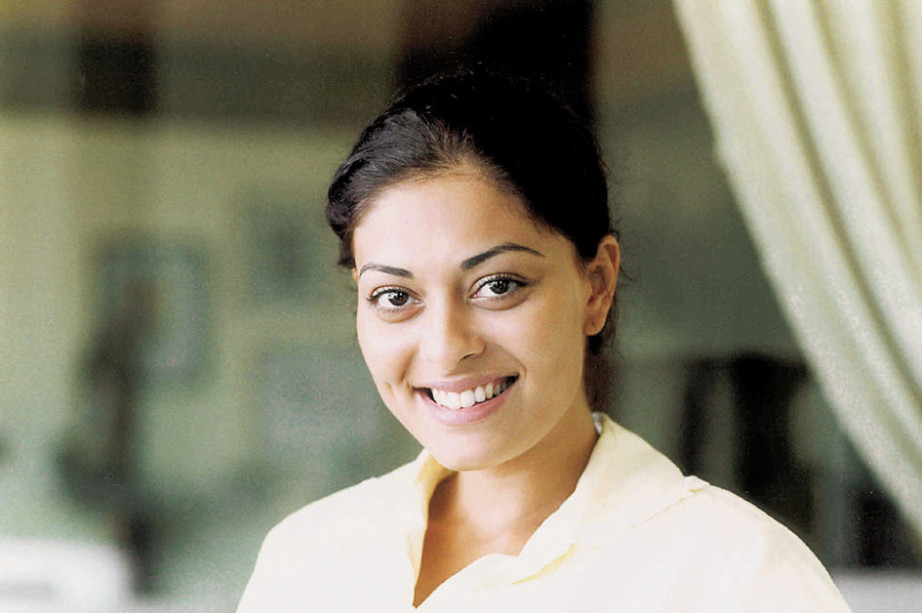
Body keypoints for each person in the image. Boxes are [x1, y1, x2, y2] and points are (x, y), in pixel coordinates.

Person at [236, 72, 851, 612]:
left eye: (498, 285)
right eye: (396, 296)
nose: (446, 348)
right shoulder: (309, 557)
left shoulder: (737, 577)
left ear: (596, 285)